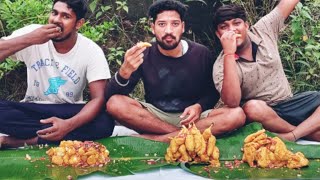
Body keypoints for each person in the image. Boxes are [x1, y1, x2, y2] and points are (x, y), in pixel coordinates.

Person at [105, 0, 245, 142]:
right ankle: (179, 137)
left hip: (194, 118)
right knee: (115, 103)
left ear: (183, 27)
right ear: (152, 28)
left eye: (175, 24)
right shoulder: (143, 54)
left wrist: (199, 106)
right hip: (156, 118)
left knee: (237, 114)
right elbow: (110, 98)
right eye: (162, 24)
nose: (169, 31)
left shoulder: (201, 53)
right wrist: (123, 73)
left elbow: (212, 92)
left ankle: (157, 140)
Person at [0, 0, 114, 148]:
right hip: (34, 108)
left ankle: (19, 141)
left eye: (65, 16)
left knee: (105, 121)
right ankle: (52, 137)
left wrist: (68, 125)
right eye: (54, 13)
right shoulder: (34, 33)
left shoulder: (91, 51)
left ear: (79, 24)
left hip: (67, 111)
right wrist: (30, 39)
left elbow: (98, 99)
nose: (56, 20)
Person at [213, 0, 320, 141]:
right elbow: (232, 102)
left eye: (236, 23)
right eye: (224, 27)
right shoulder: (221, 65)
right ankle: (304, 132)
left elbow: (288, 3)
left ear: (246, 25)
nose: (232, 29)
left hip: (291, 102)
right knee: (252, 108)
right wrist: (229, 54)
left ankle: (292, 135)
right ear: (218, 34)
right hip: (264, 114)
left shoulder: (264, 29)